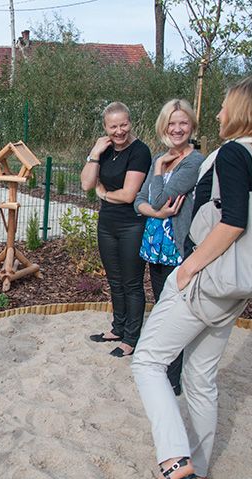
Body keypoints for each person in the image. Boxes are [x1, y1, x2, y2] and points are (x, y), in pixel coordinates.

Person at [131, 78, 252, 479]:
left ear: (240, 112)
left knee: (147, 361)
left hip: (207, 278)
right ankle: (198, 466)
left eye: (224, 108)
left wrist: (189, 268)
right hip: (236, 287)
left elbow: (233, 222)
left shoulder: (235, 153)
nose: (217, 115)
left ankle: (173, 459)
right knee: (200, 376)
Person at [133, 99, 205, 395]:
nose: (177, 129)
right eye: (171, 123)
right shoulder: (159, 159)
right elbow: (139, 201)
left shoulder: (194, 161)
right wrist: (157, 212)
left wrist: (159, 177)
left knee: (176, 310)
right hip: (154, 244)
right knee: (161, 307)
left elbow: (159, 196)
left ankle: (174, 379)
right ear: (164, 126)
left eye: (183, 123)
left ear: (191, 126)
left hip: (178, 245)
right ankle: (163, 371)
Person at [80, 101, 152, 357]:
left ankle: (132, 337)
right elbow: (88, 184)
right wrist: (95, 152)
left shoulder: (140, 152)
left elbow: (130, 194)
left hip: (132, 224)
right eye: (113, 126)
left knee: (132, 282)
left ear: (130, 122)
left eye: (124, 125)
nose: (119, 131)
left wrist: (105, 193)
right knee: (114, 279)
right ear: (105, 127)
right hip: (107, 223)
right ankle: (118, 327)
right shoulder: (105, 149)